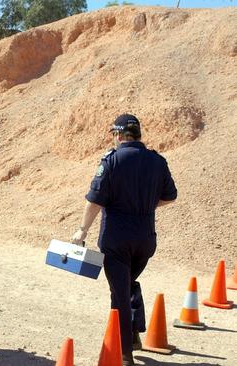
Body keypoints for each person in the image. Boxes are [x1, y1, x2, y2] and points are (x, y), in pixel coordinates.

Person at [71, 114, 177, 366]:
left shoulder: (111, 160)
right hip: (145, 239)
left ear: (119, 135)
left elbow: (95, 200)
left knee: (119, 294)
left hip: (117, 238)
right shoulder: (157, 161)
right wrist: (146, 206)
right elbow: (170, 196)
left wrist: (81, 230)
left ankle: (124, 354)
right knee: (129, 283)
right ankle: (135, 333)